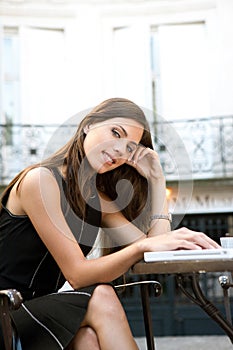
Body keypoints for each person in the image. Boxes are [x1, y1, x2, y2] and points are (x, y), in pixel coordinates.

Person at [0, 97, 219, 350]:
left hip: (38, 311)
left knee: (88, 341)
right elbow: (78, 275)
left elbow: (158, 247)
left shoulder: (97, 199)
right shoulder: (39, 180)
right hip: (6, 309)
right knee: (101, 294)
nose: (119, 150)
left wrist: (158, 181)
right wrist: (141, 248)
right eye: (116, 133)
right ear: (88, 126)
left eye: (129, 148)